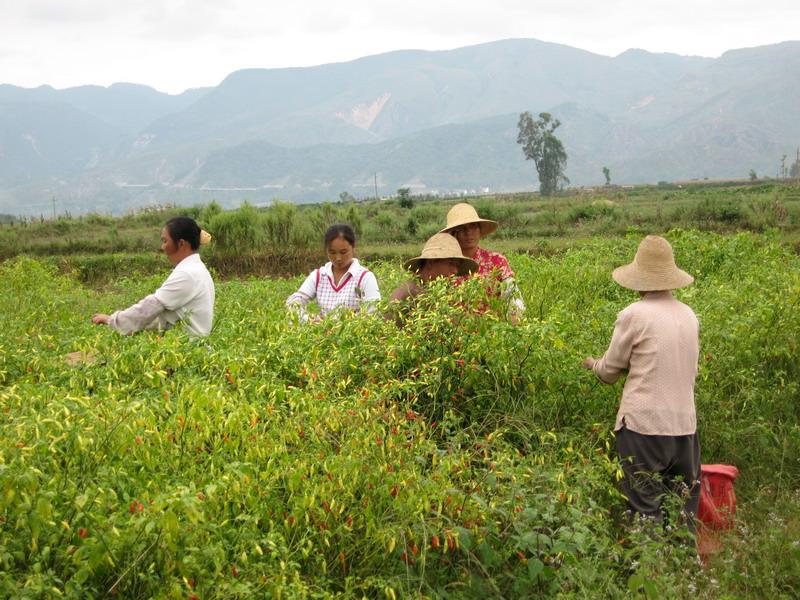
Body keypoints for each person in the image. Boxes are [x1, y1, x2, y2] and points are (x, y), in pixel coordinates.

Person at [581, 235, 700, 531]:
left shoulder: (634, 314)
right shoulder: (689, 316)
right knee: (683, 510)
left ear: (639, 277)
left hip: (643, 429)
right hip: (685, 428)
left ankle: (648, 572)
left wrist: (592, 364)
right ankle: (686, 570)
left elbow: (609, 372)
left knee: (644, 507)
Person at [92, 216, 215, 337]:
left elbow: (151, 306)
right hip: (192, 347)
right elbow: (164, 315)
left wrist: (113, 321)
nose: (162, 247)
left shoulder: (187, 274)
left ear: (181, 243)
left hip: (188, 349)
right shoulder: (196, 269)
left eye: (165, 241)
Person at [440, 203, 525, 322]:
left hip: (490, 334)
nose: (468, 232)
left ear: (479, 230)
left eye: (473, 226)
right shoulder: (442, 265)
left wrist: (514, 327)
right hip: (454, 335)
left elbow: (513, 298)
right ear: (453, 234)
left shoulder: (496, 261)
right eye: (462, 228)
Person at [286, 224, 380, 322]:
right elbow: (294, 301)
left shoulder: (365, 277)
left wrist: (340, 325)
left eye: (343, 252)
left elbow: (373, 313)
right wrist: (310, 320)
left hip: (353, 335)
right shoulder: (319, 276)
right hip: (321, 334)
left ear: (353, 247)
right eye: (332, 252)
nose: (338, 258)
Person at [387, 232, 478, 314]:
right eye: (451, 264)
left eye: (457, 266)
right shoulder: (412, 292)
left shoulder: (430, 290)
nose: (455, 271)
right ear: (431, 262)